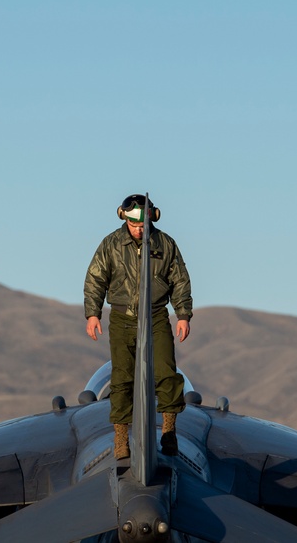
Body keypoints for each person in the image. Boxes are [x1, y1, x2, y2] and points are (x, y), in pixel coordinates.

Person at [84, 194, 192, 459]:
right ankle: (121, 438)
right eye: (134, 225)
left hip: (156, 316)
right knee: (122, 379)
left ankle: (168, 431)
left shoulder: (165, 244)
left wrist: (183, 315)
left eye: (142, 224)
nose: (138, 229)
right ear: (124, 218)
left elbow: (179, 280)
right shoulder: (111, 244)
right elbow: (96, 278)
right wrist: (93, 314)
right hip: (122, 319)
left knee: (167, 373)